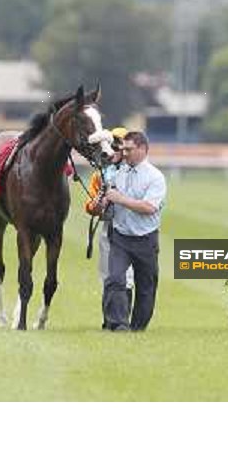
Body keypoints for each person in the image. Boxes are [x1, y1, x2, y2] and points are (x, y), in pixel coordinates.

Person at [101, 131, 166, 331]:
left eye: (129, 149)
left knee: (146, 286)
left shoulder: (155, 177)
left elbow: (149, 208)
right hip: (120, 237)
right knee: (115, 279)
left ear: (143, 150)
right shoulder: (118, 173)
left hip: (146, 239)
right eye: (123, 149)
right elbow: (111, 200)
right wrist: (105, 202)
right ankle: (118, 324)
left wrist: (119, 199)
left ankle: (138, 326)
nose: (125, 153)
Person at [84, 127, 134, 328]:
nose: (113, 150)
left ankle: (122, 321)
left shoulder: (136, 173)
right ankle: (110, 321)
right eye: (111, 146)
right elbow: (90, 207)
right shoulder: (100, 175)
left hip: (131, 229)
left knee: (127, 277)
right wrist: (99, 203)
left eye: (117, 146)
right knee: (108, 276)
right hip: (109, 228)